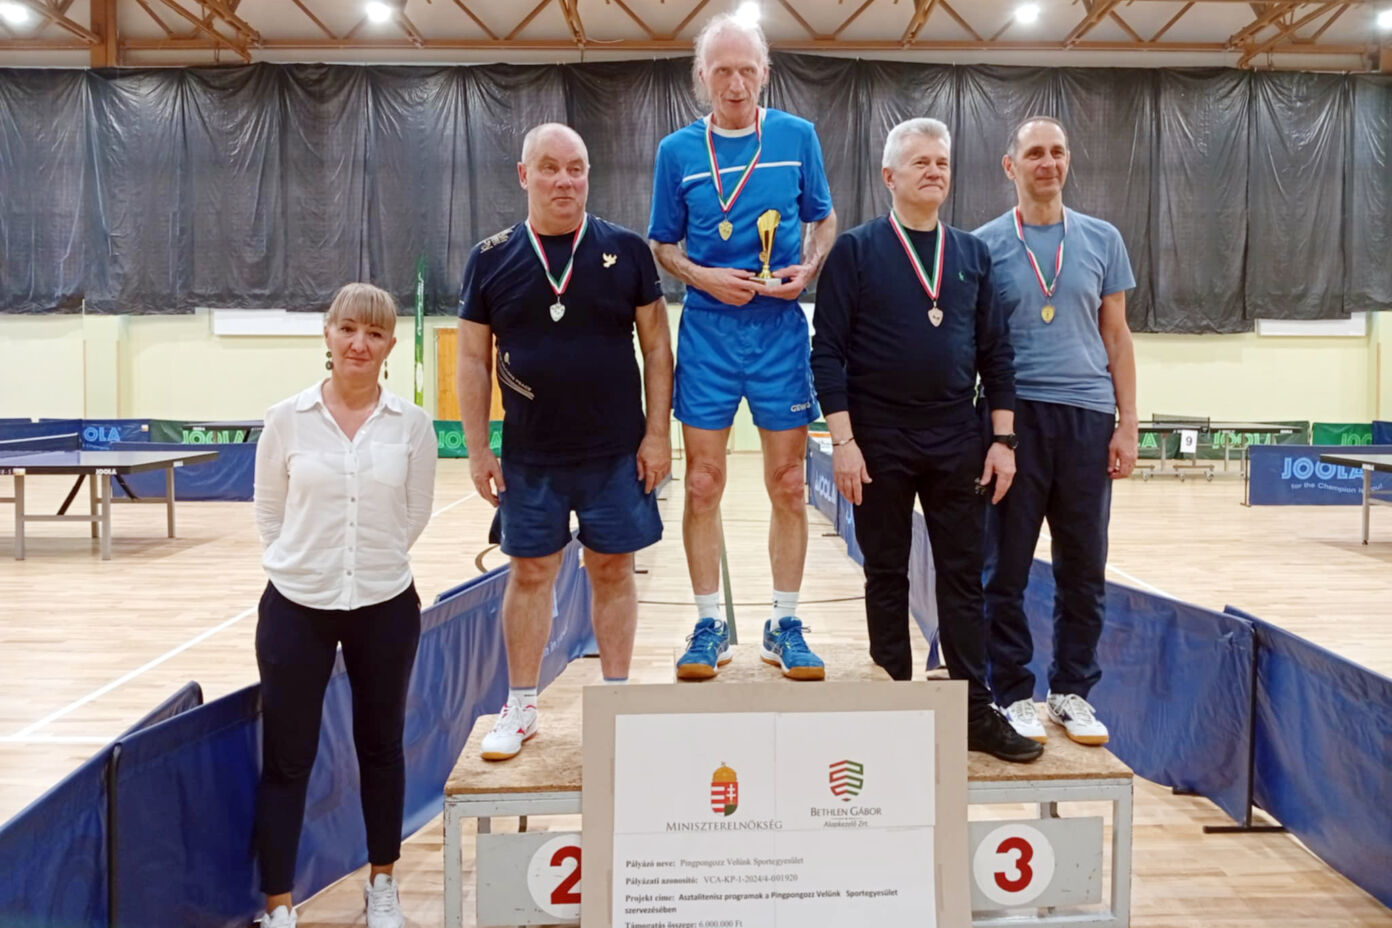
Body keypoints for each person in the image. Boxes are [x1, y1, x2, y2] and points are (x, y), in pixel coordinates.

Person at [810, 118, 1042, 763]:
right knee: (885, 573)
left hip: (956, 437)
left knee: (963, 578)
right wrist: (844, 442)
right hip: (878, 438)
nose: (935, 170)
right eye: (920, 162)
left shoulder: (970, 255)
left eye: (942, 161)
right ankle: (892, 708)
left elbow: (997, 355)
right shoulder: (856, 252)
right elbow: (826, 354)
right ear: (889, 176)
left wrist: (1003, 440)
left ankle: (973, 711)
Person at [457, 123, 672, 762]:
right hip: (530, 457)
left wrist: (658, 434)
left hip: (616, 451)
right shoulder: (489, 258)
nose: (564, 180)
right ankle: (521, 707)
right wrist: (477, 448)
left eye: (575, 168)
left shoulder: (627, 251)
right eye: (549, 168)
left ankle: (616, 702)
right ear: (524, 175)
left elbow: (657, 347)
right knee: (530, 573)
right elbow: (472, 359)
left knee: (613, 569)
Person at [649, 12, 837, 682]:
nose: (735, 83)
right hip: (708, 330)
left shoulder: (796, 137)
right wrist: (703, 277)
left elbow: (823, 220)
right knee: (703, 482)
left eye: (746, 70)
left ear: (765, 73)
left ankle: (784, 623)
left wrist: (809, 268)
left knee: (789, 482)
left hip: (779, 330)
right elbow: (662, 244)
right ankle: (709, 624)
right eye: (722, 71)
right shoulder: (676, 152)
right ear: (701, 76)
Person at [252, 282, 437, 928]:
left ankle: (382, 884)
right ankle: (278, 905)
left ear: (390, 346)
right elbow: (270, 514)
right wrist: (311, 566)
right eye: (349, 329)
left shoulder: (412, 426)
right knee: (287, 757)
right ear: (328, 334)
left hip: (385, 605)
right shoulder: (286, 419)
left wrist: (366, 568)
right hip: (295, 607)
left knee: (381, 748)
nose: (360, 343)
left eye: (375, 333)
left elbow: (413, 515)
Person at [974, 116, 1139, 747]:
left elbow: (1116, 336)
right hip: (1014, 421)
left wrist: (1127, 424)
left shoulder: (1102, 239)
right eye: (1035, 153)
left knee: (1084, 569)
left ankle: (1072, 692)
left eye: (1058, 152)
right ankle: (1012, 693)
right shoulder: (984, 245)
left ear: (1068, 161)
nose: (1048, 162)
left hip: (1088, 420)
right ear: (1010, 166)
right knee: (1005, 569)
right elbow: (977, 345)